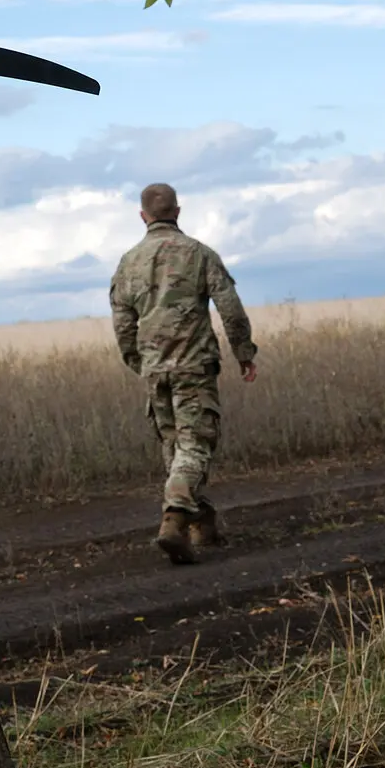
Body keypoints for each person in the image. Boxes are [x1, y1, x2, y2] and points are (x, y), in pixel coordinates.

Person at [110, 183, 259, 563]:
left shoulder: (129, 263)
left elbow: (122, 323)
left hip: (155, 370)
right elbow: (230, 308)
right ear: (178, 211)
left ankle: (202, 524)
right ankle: (175, 518)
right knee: (195, 445)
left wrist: (140, 363)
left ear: (142, 216)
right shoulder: (199, 254)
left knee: (176, 448)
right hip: (194, 367)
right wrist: (244, 353)